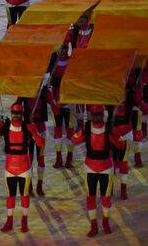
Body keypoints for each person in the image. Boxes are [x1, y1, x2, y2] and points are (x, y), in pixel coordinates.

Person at [0, 103, 45, 233]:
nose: (16, 116)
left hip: (24, 168)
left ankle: (24, 222)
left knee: (24, 196)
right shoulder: (6, 127)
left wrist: (34, 131)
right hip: (10, 169)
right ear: (11, 113)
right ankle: (9, 221)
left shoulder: (27, 127)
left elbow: (41, 144)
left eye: (18, 114)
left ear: (22, 114)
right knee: (11, 196)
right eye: (14, 113)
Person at [71, 105, 120, 237]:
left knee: (106, 199)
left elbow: (121, 145)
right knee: (90, 198)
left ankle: (105, 222)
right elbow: (74, 141)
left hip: (106, 168)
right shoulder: (86, 128)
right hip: (90, 169)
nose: (96, 117)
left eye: (98, 114)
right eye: (94, 114)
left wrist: (114, 135)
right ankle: (94, 225)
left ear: (102, 115)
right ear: (91, 115)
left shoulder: (109, 128)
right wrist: (79, 132)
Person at [15, 86, 59, 196]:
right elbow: (16, 105)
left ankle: (40, 184)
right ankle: (29, 183)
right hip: (28, 129)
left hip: (41, 129)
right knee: (29, 159)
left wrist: (52, 101)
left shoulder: (44, 91)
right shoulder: (25, 90)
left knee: (41, 158)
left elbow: (56, 110)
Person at [50, 45, 76, 168]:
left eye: (65, 48)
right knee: (58, 130)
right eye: (61, 48)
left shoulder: (72, 61)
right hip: (56, 101)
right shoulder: (52, 62)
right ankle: (59, 157)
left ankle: (69, 157)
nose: (63, 50)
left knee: (70, 130)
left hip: (69, 101)